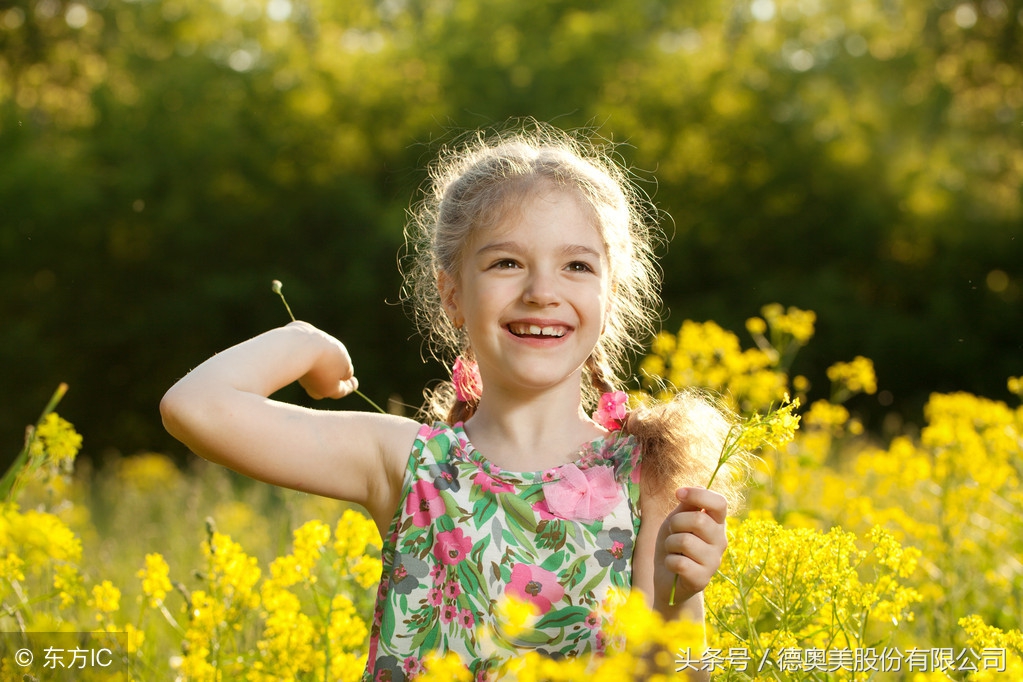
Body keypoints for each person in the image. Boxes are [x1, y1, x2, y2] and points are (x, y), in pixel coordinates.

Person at [161, 122, 744, 680]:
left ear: (609, 295)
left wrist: (682, 600)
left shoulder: (646, 475)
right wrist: (302, 340)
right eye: (506, 263)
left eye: (576, 266)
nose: (542, 292)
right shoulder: (406, 462)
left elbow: (673, 674)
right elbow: (195, 407)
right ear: (452, 294)